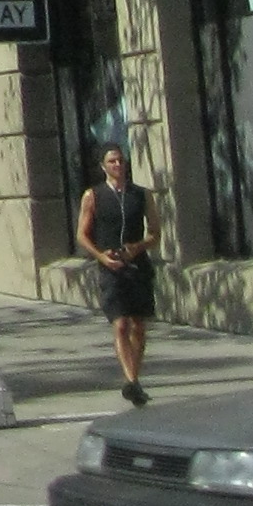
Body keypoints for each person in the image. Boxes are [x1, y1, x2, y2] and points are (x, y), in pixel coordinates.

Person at [79, 144, 156, 405]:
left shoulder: (141, 195)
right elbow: (82, 234)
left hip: (137, 266)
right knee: (120, 324)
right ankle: (131, 381)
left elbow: (155, 232)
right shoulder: (93, 196)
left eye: (121, 161)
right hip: (110, 268)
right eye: (112, 161)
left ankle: (134, 378)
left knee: (138, 326)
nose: (118, 165)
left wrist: (138, 247)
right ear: (103, 166)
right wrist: (101, 257)